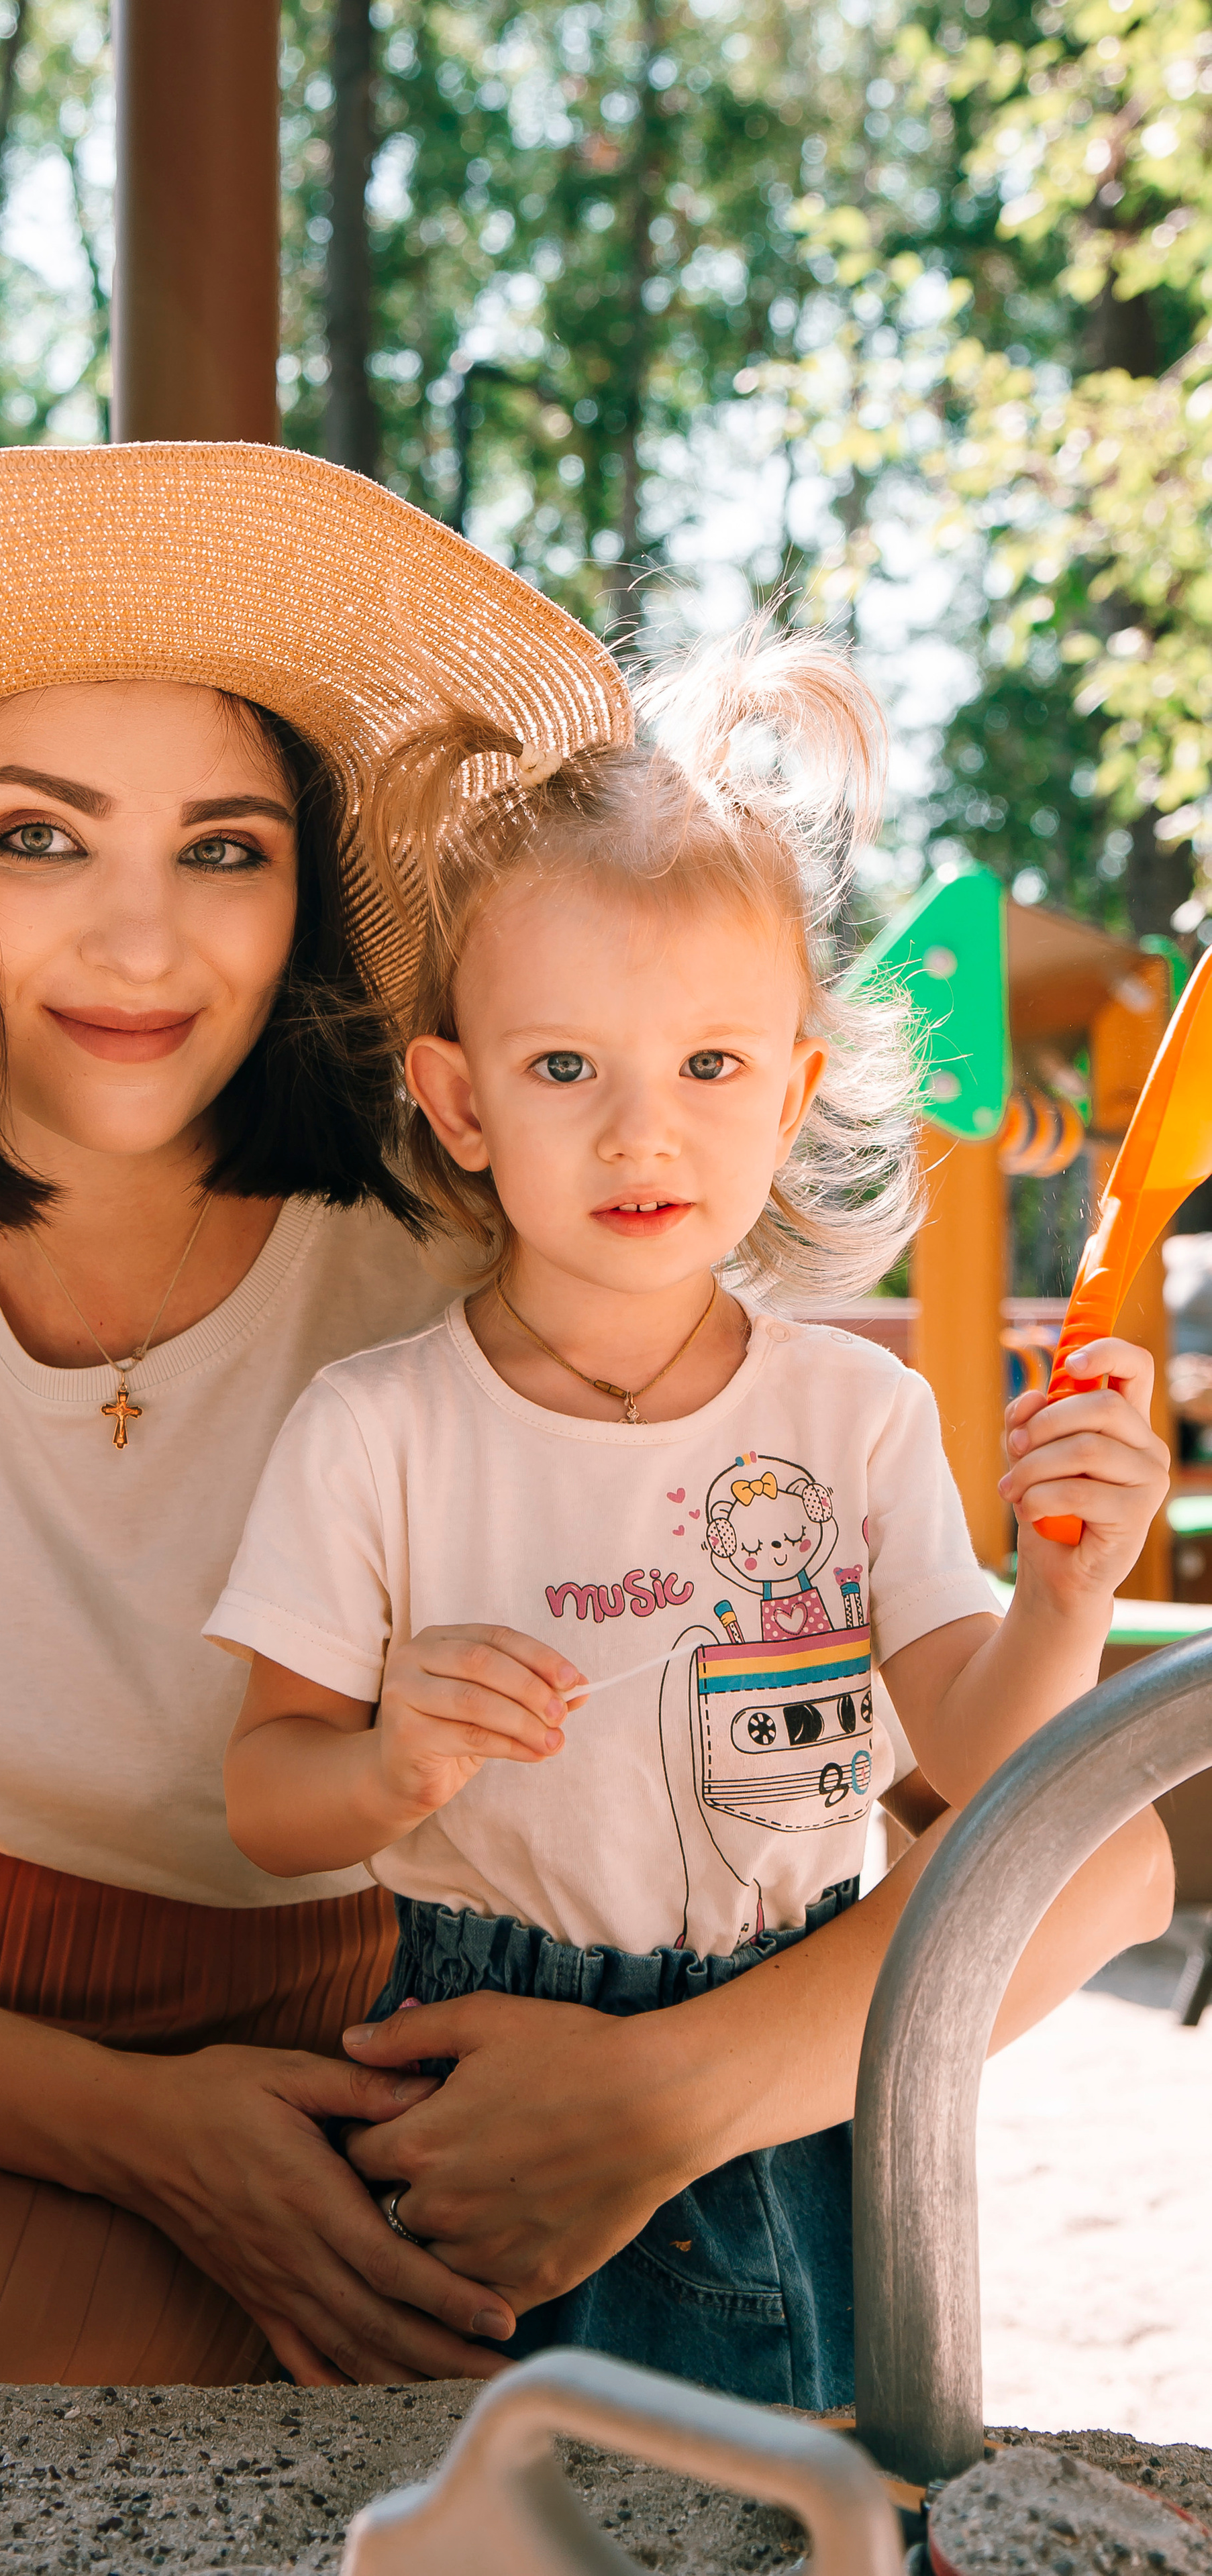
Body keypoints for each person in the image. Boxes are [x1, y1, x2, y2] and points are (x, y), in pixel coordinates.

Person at [0, 448, 1166, 2401]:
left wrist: (660, 2094)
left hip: (355, 2119)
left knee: (137, 2352)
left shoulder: (488, 1215)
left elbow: (1091, 1862)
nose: (140, 942)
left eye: (223, 848)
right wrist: (127, 2129)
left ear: (309, 885)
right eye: (38, 838)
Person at [217, 629, 1173, 2408]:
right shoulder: (378, 1430)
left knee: (832, 2469)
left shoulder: (854, 1418)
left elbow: (983, 1765)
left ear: (793, 1093)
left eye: (711, 1068)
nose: (642, 1134)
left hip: (803, 2076)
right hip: (479, 2073)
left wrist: (1065, 1593)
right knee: (483, 2489)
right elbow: (265, 1799)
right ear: (459, 1101)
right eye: (565, 1069)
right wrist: (384, 1766)